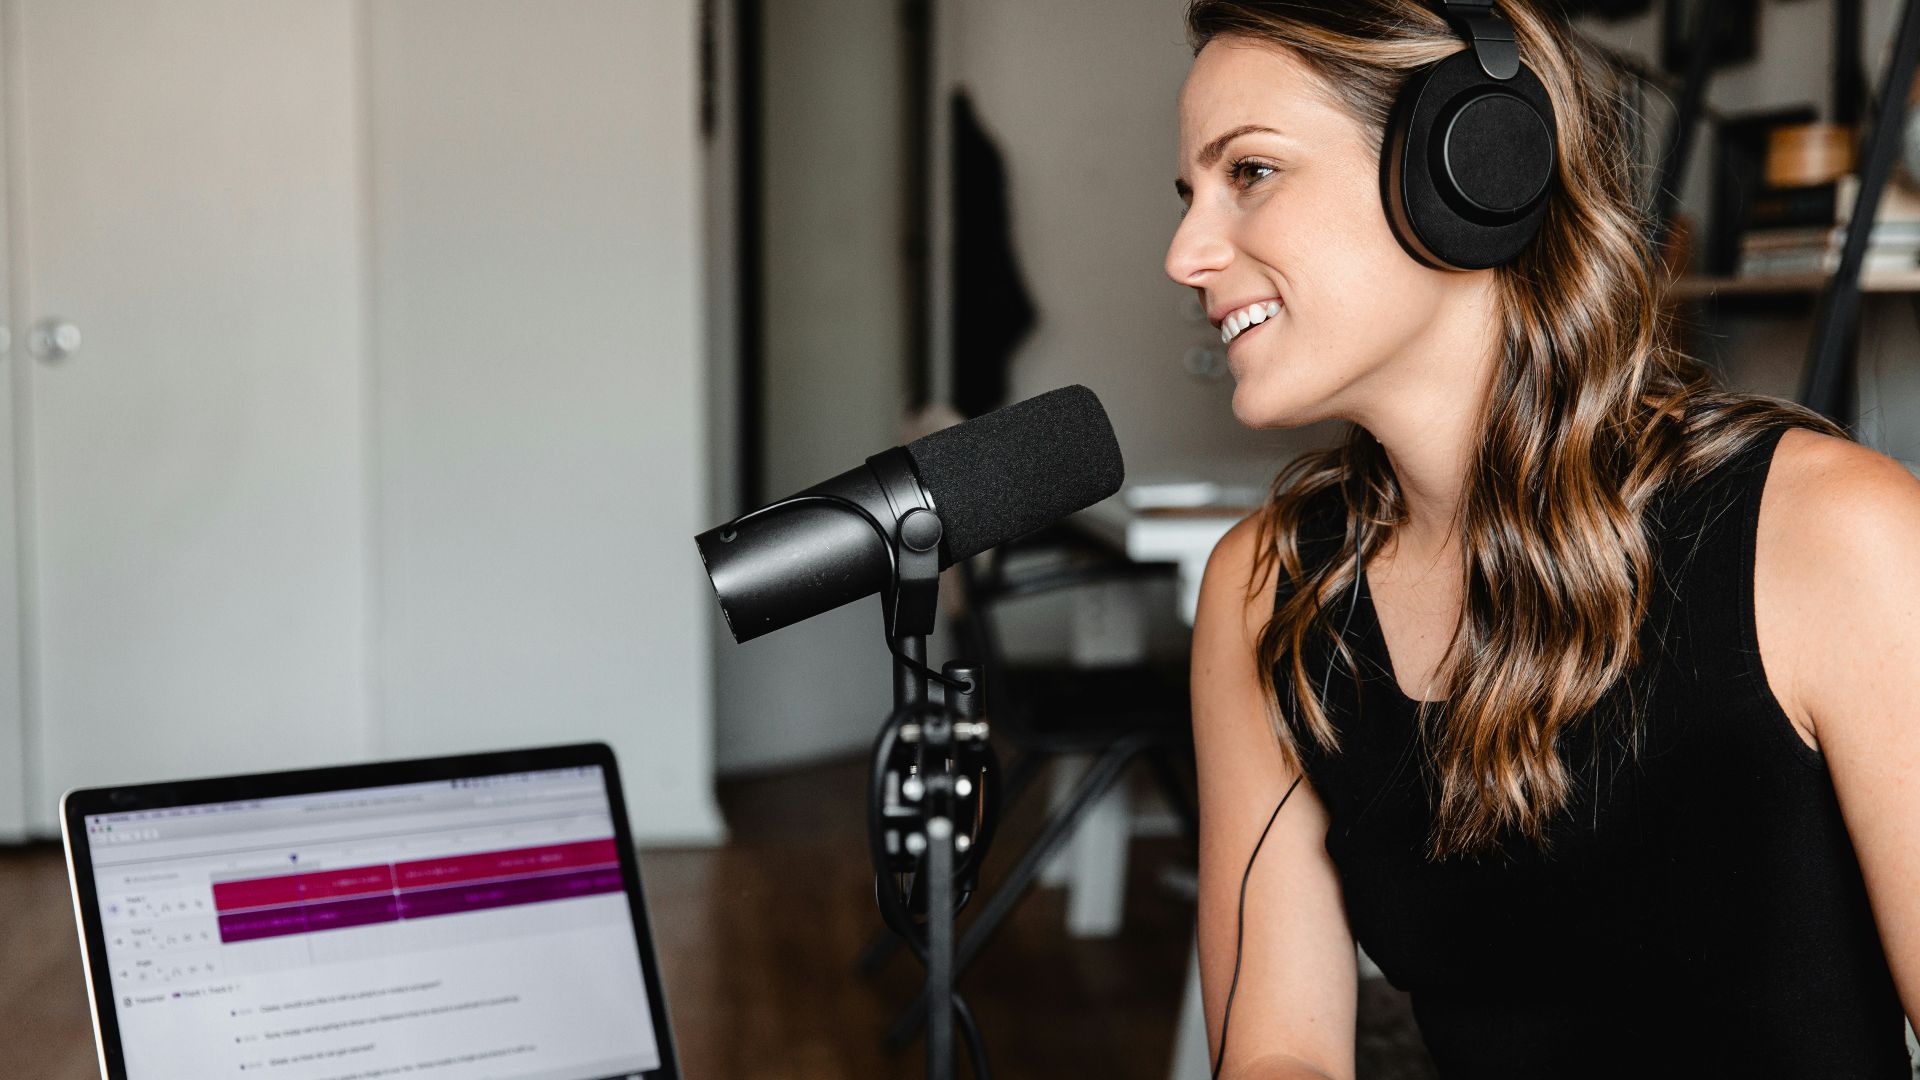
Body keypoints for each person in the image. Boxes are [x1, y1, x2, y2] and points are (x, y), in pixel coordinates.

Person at [1163, 1, 1920, 1077]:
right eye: (1189, 195)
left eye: (1250, 172)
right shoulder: (1271, 588)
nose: (1187, 252)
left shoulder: (1837, 537)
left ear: (1475, 161)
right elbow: (1280, 1053)